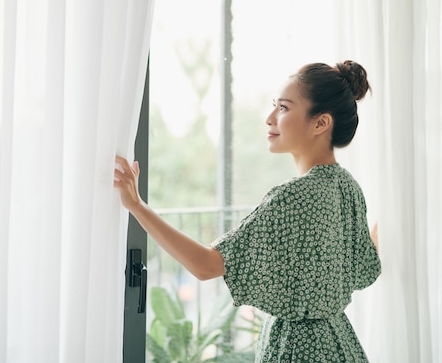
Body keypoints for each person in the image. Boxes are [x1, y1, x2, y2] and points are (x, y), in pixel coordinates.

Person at [114, 60, 381, 362]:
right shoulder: (348, 188)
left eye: (283, 108)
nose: (269, 118)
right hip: (340, 345)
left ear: (320, 123)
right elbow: (363, 271)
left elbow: (206, 265)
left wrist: (137, 206)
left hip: (297, 351)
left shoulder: (295, 197)